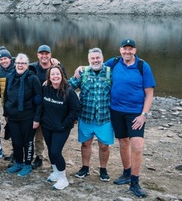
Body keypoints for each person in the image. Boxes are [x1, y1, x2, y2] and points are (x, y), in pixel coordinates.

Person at [107, 39, 155, 197]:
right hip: (116, 110)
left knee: (138, 145)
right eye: (124, 49)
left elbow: (149, 93)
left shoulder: (143, 66)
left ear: (135, 50)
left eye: (130, 49)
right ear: (120, 50)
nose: (127, 52)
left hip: (136, 113)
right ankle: (127, 173)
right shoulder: (113, 63)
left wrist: (144, 115)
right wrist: (81, 68)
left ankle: (135, 182)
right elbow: (95, 65)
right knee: (123, 141)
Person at [69, 48, 114, 182]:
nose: (95, 60)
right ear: (89, 60)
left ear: (102, 58)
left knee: (104, 145)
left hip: (104, 116)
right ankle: (85, 168)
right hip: (86, 116)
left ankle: (103, 169)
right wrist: (50, 82)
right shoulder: (82, 73)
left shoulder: (110, 73)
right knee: (86, 143)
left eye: (97, 58)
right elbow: (68, 86)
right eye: (92, 58)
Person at [40, 65, 80, 189]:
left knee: (56, 151)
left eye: (57, 74)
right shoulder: (46, 88)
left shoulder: (69, 91)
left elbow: (75, 111)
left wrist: (64, 124)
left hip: (61, 128)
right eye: (52, 74)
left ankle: (63, 178)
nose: (55, 76)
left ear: (62, 75)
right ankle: (56, 172)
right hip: (47, 126)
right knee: (50, 150)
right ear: (49, 77)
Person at [4, 53, 42, 177]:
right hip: (13, 117)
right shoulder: (10, 77)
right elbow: (5, 96)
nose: (20, 65)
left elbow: (39, 100)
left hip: (28, 116)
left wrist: (37, 118)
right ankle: (19, 162)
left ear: (27, 65)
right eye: (18, 63)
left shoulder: (32, 78)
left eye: (23, 63)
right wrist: (6, 112)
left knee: (28, 142)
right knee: (16, 141)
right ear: (15, 64)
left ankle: (27, 164)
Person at [29, 44, 67, 169]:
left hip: (52, 107)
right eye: (42, 54)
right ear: (38, 55)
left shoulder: (57, 67)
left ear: (50, 55)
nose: (44, 56)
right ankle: (39, 157)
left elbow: (66, 83)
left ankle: (54, 159)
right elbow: (19, 66)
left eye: (47, 54)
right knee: (38, 134)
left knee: (51, 136)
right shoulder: (33, 67)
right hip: (37, 106)